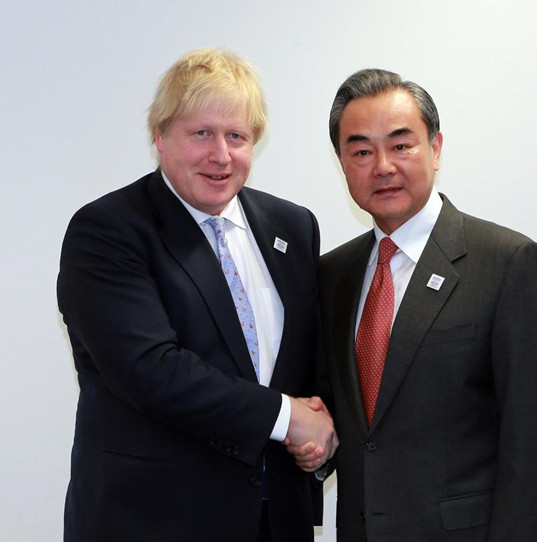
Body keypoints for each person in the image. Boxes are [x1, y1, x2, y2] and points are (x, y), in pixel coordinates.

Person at [57, 48, 337, 542]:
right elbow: (151, 370)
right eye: (202, 133)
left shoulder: (293, 226)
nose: (221, 155)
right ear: (160, 136)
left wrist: (318, 435)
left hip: (276, 521)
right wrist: (285, 416)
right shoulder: (107, 231)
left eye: (237, 136)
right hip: (153, 521)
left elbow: (308, 362)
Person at [293, 69, 537, 541]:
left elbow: (534, 449)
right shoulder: (331, 274)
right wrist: (315, 445)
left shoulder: (508, 263)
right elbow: (347, 421)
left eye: (401, 145)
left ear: (436, 148)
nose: (382, 165)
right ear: (342, 162)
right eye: (361, 151)